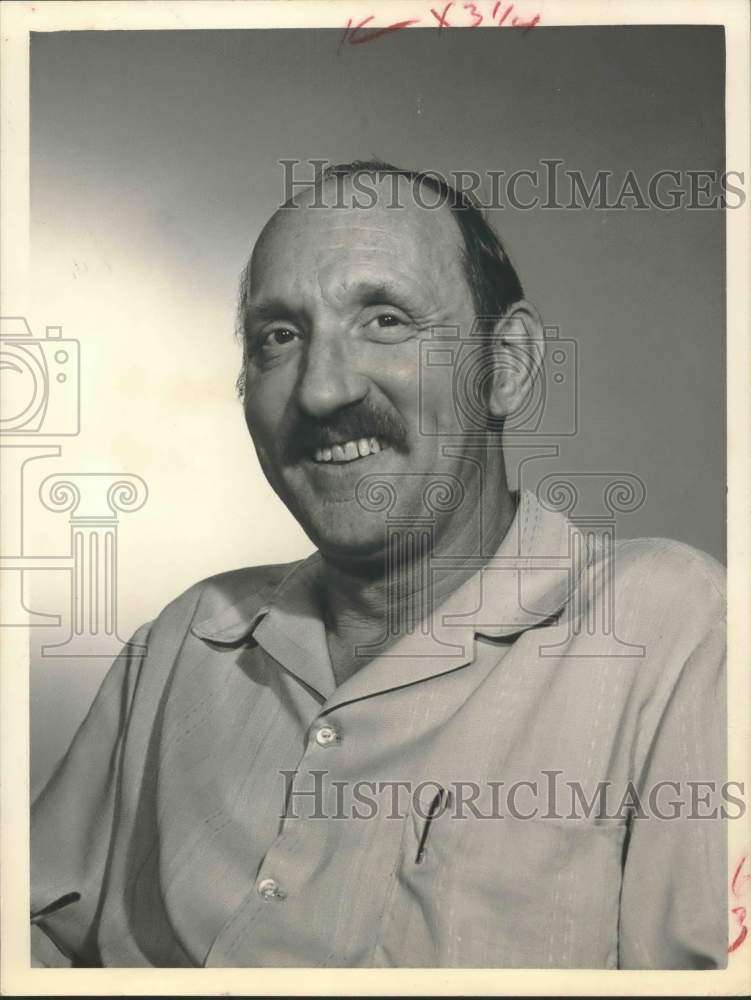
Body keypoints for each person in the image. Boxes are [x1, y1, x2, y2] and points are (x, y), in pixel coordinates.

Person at [31, 162, 727, 968]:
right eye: (278, 338)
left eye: (387, 320)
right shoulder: (187, 639)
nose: (322, 390)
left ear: (507, 366)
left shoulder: (675, 632)